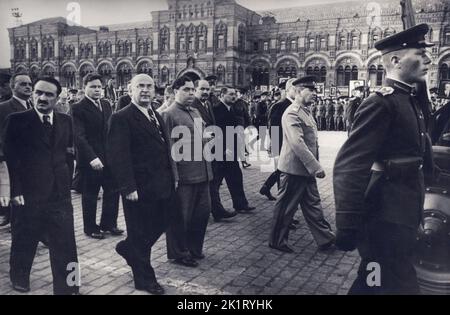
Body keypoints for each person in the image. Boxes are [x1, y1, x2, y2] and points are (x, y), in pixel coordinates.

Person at [333, 23, 435, 294]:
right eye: (420, 54)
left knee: (381, 281)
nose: (428, 60)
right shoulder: (381, 103)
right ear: (395, 60)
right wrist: (346, 222)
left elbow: (419, 155)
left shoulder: (409, 100)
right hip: (383, 216)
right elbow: (350, 165)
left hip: (402, 210)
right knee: (378, 279)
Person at [4, 76, 79, 294]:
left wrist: (66, 183)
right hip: (28, 194)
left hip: (59, 195)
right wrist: (15, 191)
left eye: (48, 94)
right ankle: (19, 277)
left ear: (58, 98)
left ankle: (70, 286)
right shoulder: (18, 120)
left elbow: (68, 154)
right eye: (38, 92)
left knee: (66, 244)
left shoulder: (66, 121)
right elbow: (10, 159)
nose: (42, 98)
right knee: (24, 239)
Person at [107, 74, 178, 295]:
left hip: (161, 185)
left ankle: (129, 249)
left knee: (163, 221)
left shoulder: (154, 114)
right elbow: (117, 156)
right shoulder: (122, 117)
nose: (145, 90)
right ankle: (145, 280)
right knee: (139, 233)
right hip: (138, 188)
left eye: (149, 86)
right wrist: (128, 187)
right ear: (130, 91)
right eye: (140, 86)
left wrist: (172, 177)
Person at [269, 76, 335, 253]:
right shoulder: (292, 113)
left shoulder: (305, 111)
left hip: (305, 170)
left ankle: (325, 238)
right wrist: (316, 166)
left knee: (313, 205)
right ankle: (276, 241)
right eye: (310, 90)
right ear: (298, 91)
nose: (315, 93)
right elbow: (297, 143)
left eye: (314, 90)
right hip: (294, 170)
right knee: (286, 208)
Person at [161, 76, 213, 267]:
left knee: (202, 213)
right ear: (175, 91)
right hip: (184, 176)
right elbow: (168, 149)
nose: (191, 93)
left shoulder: (196, 112)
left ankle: (194, 248)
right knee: (181, 217)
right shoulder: (169, 114)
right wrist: (173, 177)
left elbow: (202, 137)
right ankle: (179, 253)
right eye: (186, 90)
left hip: (203, 172)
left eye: (192, 90)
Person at [72, 73, 122, 239]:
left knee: (113, 191)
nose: (97, 90)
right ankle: (90, 228)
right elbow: (79, 137)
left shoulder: (107, 104)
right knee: (91, 194)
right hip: (90, 160)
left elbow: (111, 131)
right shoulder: (78, 108)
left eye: (99, 87)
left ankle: (109, 224)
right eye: (93, 86)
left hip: (109, 158)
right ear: (84, 87)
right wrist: (92, 158)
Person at [191, 79, 237, 222]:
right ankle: (212, 211)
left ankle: (216, 210)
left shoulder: (208, 104)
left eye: (207, 89)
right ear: (195, 90)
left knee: (213, 182)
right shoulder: (193, 106)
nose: (205, 92)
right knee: (206, 184)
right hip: (200, 151)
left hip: (212, 149)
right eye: (202, 89)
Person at [212, 87, 255, 216]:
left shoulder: (232, 109)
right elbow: (216, 132)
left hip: (231, 151)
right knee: (215, 182)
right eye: (231, 94)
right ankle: (215, 209)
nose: (234, 97)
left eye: (235, 95)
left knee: (236, 177)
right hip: (221, 152)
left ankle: (240, 204)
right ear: (222, 95)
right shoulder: (216, 109)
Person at [0, 74, 33, 227]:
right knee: (17, 197)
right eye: (23, 84)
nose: (28, 87)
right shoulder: (4, 108)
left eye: (30, 84)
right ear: (13, 87)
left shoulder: (33, 106)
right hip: (13, 163)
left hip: (33, 163)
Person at [260, 78, 297, 201]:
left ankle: (267, 187)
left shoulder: (295, 104)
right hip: (281, 143)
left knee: (282, 170)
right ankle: (284, 203)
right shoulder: (280, 105)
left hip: (290, 144)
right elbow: (274, 128)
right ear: (287, 90)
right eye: (294, 88)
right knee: (283, 172)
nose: (298, 90)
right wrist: (275, 146)